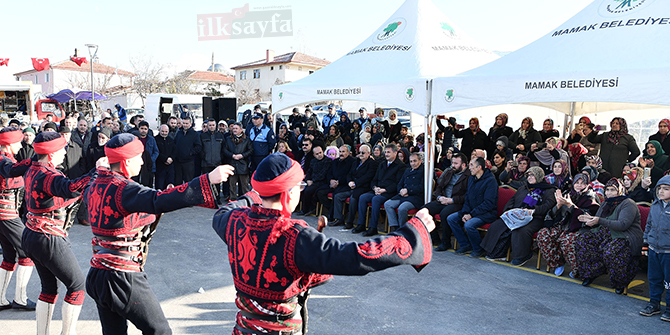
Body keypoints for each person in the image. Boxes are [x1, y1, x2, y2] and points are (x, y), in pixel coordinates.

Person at [212, 153, 434, 335]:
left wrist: (255, 194)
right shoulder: (295, 236)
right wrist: (411, 234)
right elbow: (355, 256)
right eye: (298, 186)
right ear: (289, 193)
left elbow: (224, 211)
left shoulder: (233, 221)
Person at [85, 133, 230, 334]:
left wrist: (101, 167)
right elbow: (156, 200)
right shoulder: (123, 188)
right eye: (139, 156)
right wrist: (207, 180)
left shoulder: (96, 184)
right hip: (121, 275)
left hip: (98, 273)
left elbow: (138, 206)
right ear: (127, 161)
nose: (142, 161)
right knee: (160, 331)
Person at [19, 132, 98, 334]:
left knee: (49, 287)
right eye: (62, 149)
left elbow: (52, 199)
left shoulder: (33, 169)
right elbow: (69, 188)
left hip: (32, 234)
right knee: (78, 286)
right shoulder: (48, 175)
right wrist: (95, 172)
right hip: (47, 237)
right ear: (52, 153)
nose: (65, 152)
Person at [574, 178, 642, 294]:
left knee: (611, 250)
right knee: (582, 240)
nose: (609, 193)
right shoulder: (606, 203)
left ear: (620, 191)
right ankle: (591, 273)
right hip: (606, 232)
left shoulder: (628, 204)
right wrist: (589, 219)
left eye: (612, 190)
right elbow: (599, 220)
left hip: (624, 236)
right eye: (607, 190)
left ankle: (619, 281)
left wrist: (598, 220)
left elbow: (622, 225)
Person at [481, 166, 557, 266]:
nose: (529, 178)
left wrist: (533, 211)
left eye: (532, 175)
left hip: (535, 217)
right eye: (528, 175)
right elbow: (512, 201)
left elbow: (548, 205)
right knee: (499, 224)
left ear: (539, 176)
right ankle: (494, 252)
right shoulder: (523, 188)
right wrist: (509, 211)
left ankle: (521, 256)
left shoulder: (548, 190)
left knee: (520, 230)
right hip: (517, 215)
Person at [537, 173, 600, 277]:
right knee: (543, 234)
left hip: (581, 229)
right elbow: (551, 215)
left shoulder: (591, 198)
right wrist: (558, 205)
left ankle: (577, 271)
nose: (579, 185)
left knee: (567, 240)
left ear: (587, 185)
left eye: (582, 183)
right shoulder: (568, 193)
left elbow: (586, 218)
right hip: (564, 225)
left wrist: (571, 205)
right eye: (577, 183)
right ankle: (557, 262)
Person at [0, 128, 35, 311]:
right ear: (8, 143)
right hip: (6, 214)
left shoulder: (6, 158)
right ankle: (20, 298)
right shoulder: (4, 160)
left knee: (9, 255)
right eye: (18, 141)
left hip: (5, 215)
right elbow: (12, 171)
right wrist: (34, 160)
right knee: (27, 252)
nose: (21, 144)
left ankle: (1, 299)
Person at [447, 157, 499, 258]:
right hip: (471, 211)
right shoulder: (471, 178)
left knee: (469, 225)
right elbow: (468, 197)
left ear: (479, 167)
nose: (469, 168)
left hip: (486, 213)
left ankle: (479, 249)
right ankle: (465, 245)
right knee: (451, 219)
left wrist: (471, 214)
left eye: (471, 165)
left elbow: (489, 204)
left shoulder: (491, 181)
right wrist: (466, 212)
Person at [353, 144, 407, 236]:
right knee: (363, 197)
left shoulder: (401, 166)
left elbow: (398, 183)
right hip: (377, 190)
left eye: (388, 152)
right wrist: (375, 188)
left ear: (395, 153)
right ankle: (361, 224)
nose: (386, 154)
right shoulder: (382, 164)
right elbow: (374, 179)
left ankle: (373, 227)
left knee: (376, 199)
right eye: (385, 152)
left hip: (390, 192)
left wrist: (384, 190)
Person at [423, 153, 470, 250]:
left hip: (457, 203)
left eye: (456, 163)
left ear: (463, 165)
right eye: (452, 162)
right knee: (424, 210)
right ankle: (434, 238)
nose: (453, 165)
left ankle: (446, 242)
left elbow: (468, 196)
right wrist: (439, 197)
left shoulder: (469, 176)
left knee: (444, 214)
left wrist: (451, 200)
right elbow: (439, 187)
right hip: (443, 199)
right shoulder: (449, 172)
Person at [639, 175, 670, 321]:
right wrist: (646, 241)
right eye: (659, 189)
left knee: (669, 281)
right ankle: (654, 304)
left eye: (666, 189)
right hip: (653, 248)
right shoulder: (655, 206)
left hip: (668, 251)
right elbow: (649, 224)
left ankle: (669, 308)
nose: (661, 192)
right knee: (654, 278)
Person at [333, 144, 378, 229]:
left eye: (363, 152)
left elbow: (368, 177)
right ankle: (339, 219)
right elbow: (349, 173)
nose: (361, 154)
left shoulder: (372, 163)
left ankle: (350, 221)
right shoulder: (356, 161)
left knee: (353, 198)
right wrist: (350, 181)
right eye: (359, 152)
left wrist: (356, 183)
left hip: (363, 187)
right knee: (338, 196)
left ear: (369, 153)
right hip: (352, 186)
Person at [384, 152, 425, 230]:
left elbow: (422, 187)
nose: (413, 163)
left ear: (420, 161)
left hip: (415, 197)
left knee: (402, 208)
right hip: (402, 195)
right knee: (388, 204)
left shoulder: (424, 171)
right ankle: (395, 227)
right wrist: (401, 191)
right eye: (411, 161)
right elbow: (399, 184)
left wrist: (408, 191)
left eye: (415, 161)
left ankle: (402, 229)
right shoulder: (407, 170)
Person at [317, 145, 354, 224]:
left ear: (348, 153)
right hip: (333, 183)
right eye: (340, 152)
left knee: (336, 194)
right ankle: (331, 209)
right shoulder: (335, 161)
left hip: (344, 184)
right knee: (320, 192)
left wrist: (338, 182)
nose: (341, 153)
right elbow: (329, 172)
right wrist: (331, 180)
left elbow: (349, 175)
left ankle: (336, 216)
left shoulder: (352, 161)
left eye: (343, 152)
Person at [222, 122, 253, 201]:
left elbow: (251, 150)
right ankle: (233, 200)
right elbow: (224, 150)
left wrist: (242, 155)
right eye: (233, 128)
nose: (234, 130)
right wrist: (232, 155)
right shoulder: (228, 139)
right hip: (232, 164)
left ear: (241, 130)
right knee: (232, 185)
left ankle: (246, 200)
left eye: (236, 128)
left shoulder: (246, 139)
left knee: (244, 185)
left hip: (242, 164)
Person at [299, 144, 330, 216]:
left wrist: (312, 181)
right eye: (317, 154)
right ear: (314, 155)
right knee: (302, 188)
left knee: (308, 191)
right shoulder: (313, 161)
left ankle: (306, 210)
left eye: (320, 153)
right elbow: (309, 171)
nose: (319, 155)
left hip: (321, 182)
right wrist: (308, 180)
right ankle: (309, 208)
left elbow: (323, 174)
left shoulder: (327, 161)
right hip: (312, 181)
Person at [174, 115, 202, 184]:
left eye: (187, 123)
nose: (185, 125)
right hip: (178, 162)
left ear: (190, 124)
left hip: (188, 162)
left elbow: (198, 147)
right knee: (178, 182)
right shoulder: (179, 133)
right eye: (184, 123)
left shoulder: (195, 134)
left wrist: (190, 153)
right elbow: (174, 144)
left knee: (189, 182)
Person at [154, 124, 176, 190]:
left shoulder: (171, 140)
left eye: (166, 131)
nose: (164, 133)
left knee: (170, 186)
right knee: (159, 186)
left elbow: (175, 151)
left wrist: (171, 158)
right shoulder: (155, 140)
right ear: (159, 130)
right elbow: (156, 151)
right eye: (162, 131)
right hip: (160, 166)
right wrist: (165, 159)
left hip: (170, 166)